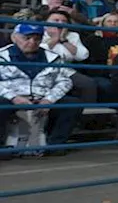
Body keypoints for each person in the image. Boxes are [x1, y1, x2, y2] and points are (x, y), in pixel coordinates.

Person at [0, 22, 79, 158]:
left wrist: (49, 99)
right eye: (27, 38)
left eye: (37, 38)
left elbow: (65, 80)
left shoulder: (52, 57)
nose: (32, 42)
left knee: (73, 104)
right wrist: (13, 97)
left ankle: (55, 145)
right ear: (14, 37)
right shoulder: (2, 56)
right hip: (11, 97)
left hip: (43, 97)